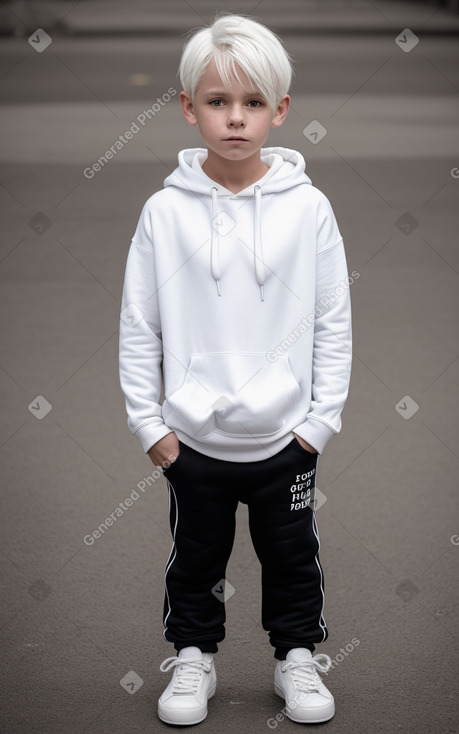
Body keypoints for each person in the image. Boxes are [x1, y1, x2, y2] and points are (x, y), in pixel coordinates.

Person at [118, 12, 352, 727]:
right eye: (217, 102)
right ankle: (193, 658)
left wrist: (318, 422)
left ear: (280, 111)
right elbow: (138, 323)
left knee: (292, 558)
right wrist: (149, 424)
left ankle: (297, 660)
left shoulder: (308, 210)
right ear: (188, 108)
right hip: (193, 441)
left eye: (253, 103)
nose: (235, 119)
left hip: (286, 439)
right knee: (195, 559)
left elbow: (332, 320)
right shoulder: (163, 213)